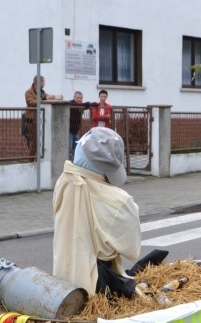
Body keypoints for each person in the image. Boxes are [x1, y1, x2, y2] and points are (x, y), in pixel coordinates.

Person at [52, 127, 142, 296]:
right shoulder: (119, 202)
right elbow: (132, 249)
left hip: (62, 291)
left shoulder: (63, 183)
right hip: (99, 290)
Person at [24, 75, 57, 155]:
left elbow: (46, 96)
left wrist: (50, 96)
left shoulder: (41, 91)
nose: (44, 84)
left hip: (39, 120)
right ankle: (31, 160)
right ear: (38, 83)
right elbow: (31, 102)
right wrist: (44, 99)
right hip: (31, 121)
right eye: (43, 82)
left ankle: (36, 159)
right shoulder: (29, 92)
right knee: (35, 141)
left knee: (41, 140)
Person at [69, 91, 93, 159]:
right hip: (69, 131)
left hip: (75, 131)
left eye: (81, 98)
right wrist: (86, 104)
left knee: (76, 148)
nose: (79, 99)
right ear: (74, 98)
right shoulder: (71, 104)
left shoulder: (81, 106)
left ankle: (74, 161)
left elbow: (89, 104)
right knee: (69, 149)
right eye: (78, 98)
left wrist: (91, 104)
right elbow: (84, 104)